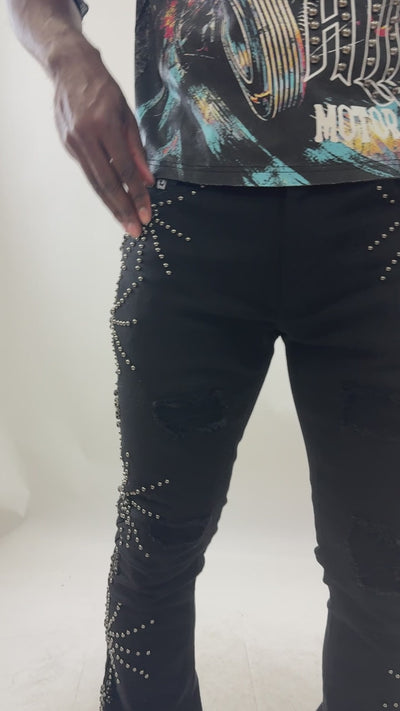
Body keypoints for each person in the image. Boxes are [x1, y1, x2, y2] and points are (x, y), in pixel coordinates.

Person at [6, 1, 400, 710]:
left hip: (379, 224)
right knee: (157, 539)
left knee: (382, 561)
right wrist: (68, 58)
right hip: (187, 216)